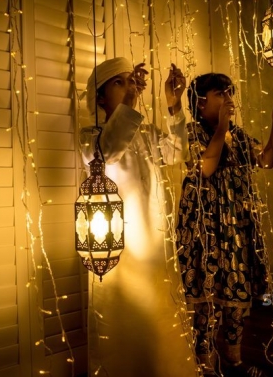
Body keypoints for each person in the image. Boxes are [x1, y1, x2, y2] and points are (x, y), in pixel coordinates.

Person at [80, 57, 199, 376]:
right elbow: (106, 155)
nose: (128, 86)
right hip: (121, 249)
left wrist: (174, 105)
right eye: (118, 83)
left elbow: (176, 153)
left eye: (129, 81)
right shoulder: (91, 135)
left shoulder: (145, 132)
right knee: (125, 322)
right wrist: (131, 103)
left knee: (162, 315)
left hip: (155, 243)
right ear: (100, 97)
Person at [175, 73, 273, 376]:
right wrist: (222, 127)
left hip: (237, 226)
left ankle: (233, 359)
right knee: (207, 296)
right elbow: (205, 168)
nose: (229, 99)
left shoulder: (237, 135)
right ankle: (205, 363)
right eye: (220, 93)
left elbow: (266, 160)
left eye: (230, 92)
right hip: (205, 227)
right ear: (201, 103)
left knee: (236, 291)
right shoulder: (191, 132)